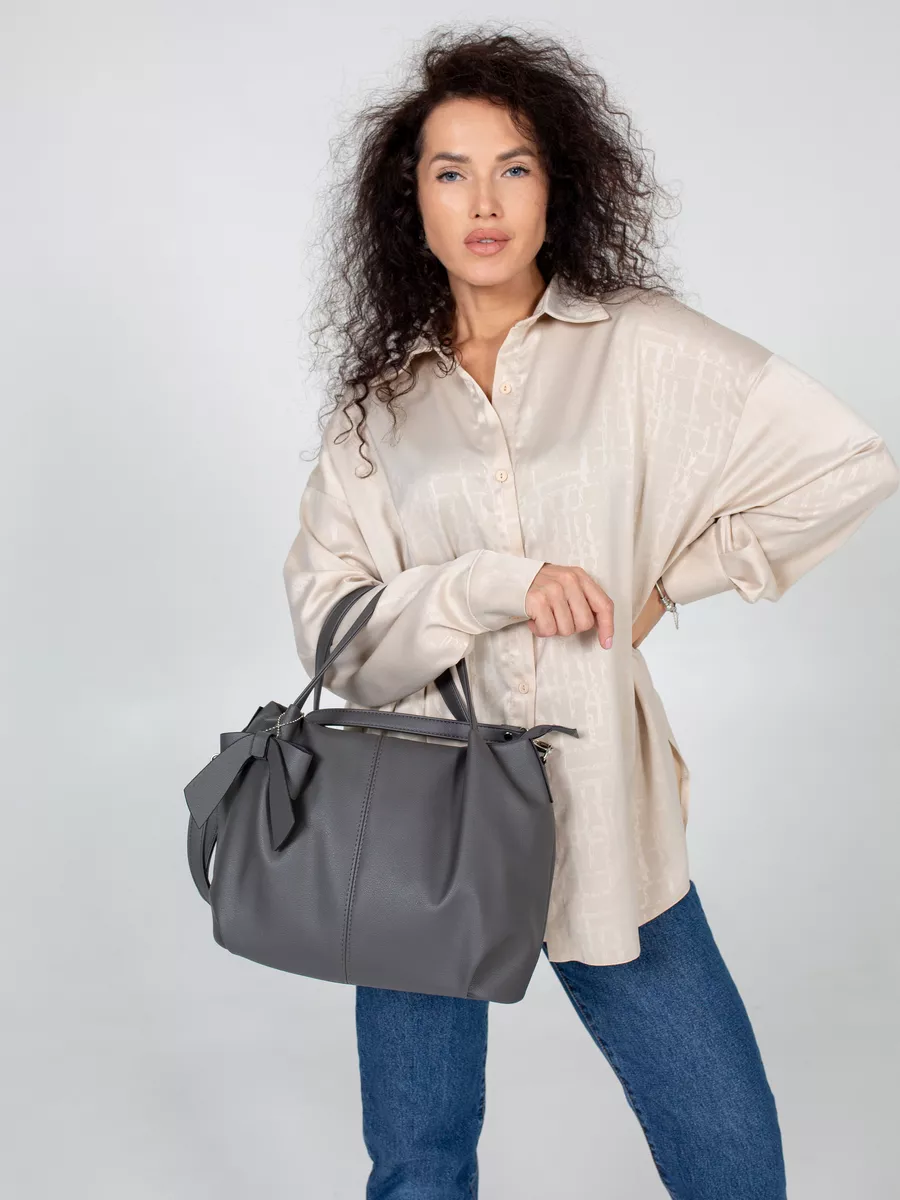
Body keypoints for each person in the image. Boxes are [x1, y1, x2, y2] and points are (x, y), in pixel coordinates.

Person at [281, 26, 899, 1200]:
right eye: (451, 172)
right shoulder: (380, 409)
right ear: (412, 203)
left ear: (556, 186)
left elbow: (846, 463)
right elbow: (336, 637)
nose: (484, 202)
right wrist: (494, 583)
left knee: (729, 1152)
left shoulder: (642, 348)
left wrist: (671, 583)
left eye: (513, 167)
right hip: (418, 814)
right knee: (417, 1163)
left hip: (600, 794)